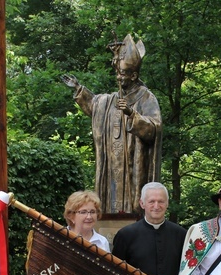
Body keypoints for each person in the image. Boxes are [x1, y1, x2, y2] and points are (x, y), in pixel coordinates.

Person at [61, 34, 162, 214]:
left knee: (133, 205)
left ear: (134, 75)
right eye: (117, 73)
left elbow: (154, 128)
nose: (118, 77)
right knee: (109, 203)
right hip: (112, 169)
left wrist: (132, 114)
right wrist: (78, 89)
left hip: (134, 166)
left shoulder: (146, 97)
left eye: (122, 74)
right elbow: (95, 104)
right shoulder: (110, 100)